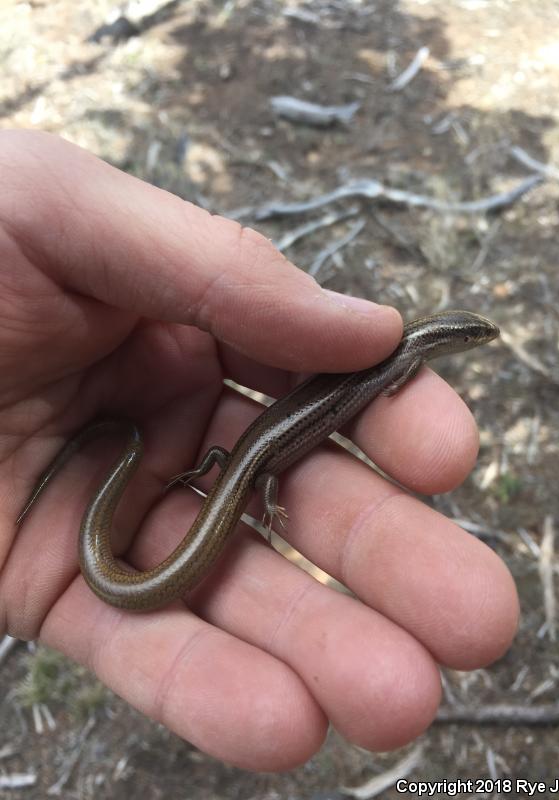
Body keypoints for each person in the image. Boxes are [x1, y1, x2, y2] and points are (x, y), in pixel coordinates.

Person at [0, 130, 519, 771]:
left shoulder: (406, 352)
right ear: (453, 338)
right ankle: (146, 479)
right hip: (256, 461)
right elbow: (354, 402)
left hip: (245, 456)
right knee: (250, 473)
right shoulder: (403, 353)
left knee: (238, 467)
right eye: (477, 336)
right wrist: (267, 503)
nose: (477, 340)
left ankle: (146, 475)